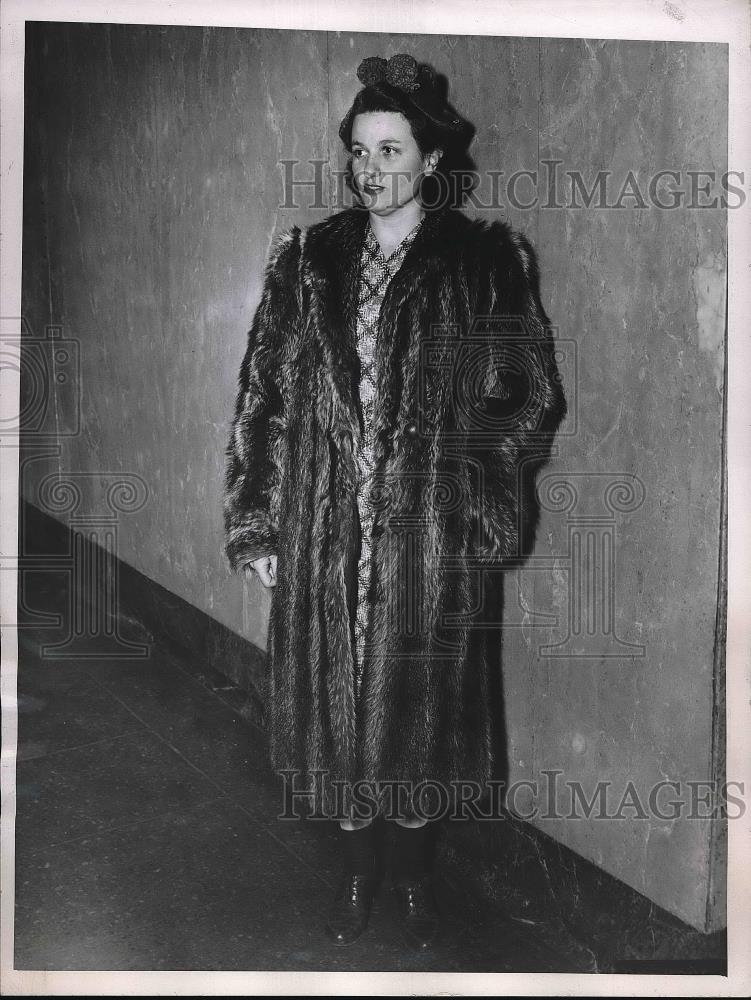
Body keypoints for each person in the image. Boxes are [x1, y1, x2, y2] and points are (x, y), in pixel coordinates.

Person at [223, 53, 567, 951]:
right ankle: (356, 875)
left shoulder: (481, 260)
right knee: (335, 711)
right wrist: (259, 520)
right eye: (358, 151)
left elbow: (522, 396)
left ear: (428, 161)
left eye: (390, 149)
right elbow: (264, 394)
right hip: (326, 526)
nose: (371, 168)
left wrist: (471, 503)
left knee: (420, 713)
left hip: (426, 534)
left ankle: (411, 881)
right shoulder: (309, 261)